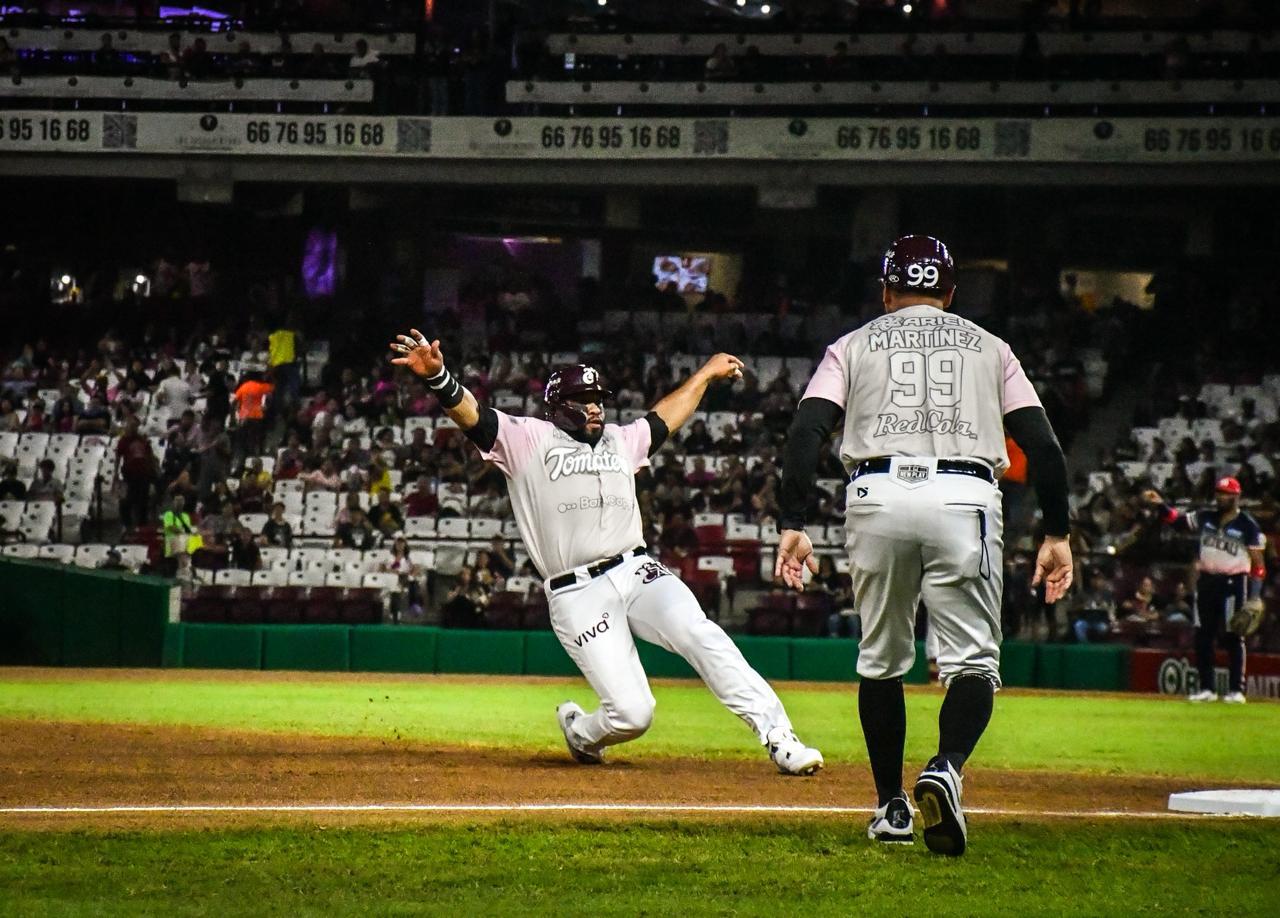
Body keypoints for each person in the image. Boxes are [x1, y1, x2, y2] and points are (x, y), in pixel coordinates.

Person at [390, 329, 823, 776]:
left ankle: (779, 736)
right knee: (634, 715)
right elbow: (474, 416)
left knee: (700, 633)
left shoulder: (621, 439)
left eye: (598, 397)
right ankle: (582, 732)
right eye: (584, 398)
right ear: (559, 406)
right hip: (576, 591)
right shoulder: (527, 439)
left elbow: (665, 416)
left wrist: (706, 374)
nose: (596, 405)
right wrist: (438, 375)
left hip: (637, 570)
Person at [774, 235, 1073, 855]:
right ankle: (946, 767)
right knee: (972, 663)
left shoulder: (852, 344)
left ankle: (891, 808)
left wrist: (791, 519)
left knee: (881, 657)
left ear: (887, 291)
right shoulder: (991, 347)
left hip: (876, 492)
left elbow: (806, 431)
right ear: (951, 292)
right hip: (964, 496)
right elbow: (1043, 447)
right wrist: (1056, 531)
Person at [1144, 476, 1266, 704]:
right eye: (1219, 492)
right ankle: (1206, 688)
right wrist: (1160, 504)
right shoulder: (1206, 517)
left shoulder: (1248, 525)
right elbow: (1176, 520)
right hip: (1207, 581)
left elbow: (1258, 565)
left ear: (1237, 496)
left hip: (1234, 583)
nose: (1222, 497)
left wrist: (1256, 595)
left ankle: (1236, 690)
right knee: (1203, 636)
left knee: (1233, 636)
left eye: (1227, 493)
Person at [115, 417, 158, 530]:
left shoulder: (143, 440)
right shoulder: (123, 441)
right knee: (125, 501)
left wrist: (153, 471)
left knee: (142, 502)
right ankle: (127, 525)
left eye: (134, 426)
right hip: (128, 475)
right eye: (130, 425)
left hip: (144, 475)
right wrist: (115, 474)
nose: (132, 428)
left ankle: (142, 526)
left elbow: (150, 456)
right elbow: (118, 457)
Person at [1070, 570, 1116, 643]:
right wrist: (1083, 606)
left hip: (1100, 620)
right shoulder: (1083, 593)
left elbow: (1111, 609)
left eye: (1099, 579)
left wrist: (1106, 607)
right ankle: (1084, 646)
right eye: (1094, 579)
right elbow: (1072, 609)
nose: (1096, 581)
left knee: (1104, 628)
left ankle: (1102, 647)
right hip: (1086, 620)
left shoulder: (1107, 594)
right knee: (1078, 625)